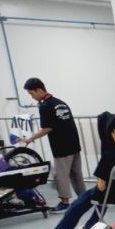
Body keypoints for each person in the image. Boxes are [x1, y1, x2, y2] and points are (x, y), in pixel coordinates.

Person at [36, 113, 115, 229]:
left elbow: (101, 186)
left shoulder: (110, 155)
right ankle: (89, 228)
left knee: (77, 205)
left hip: (110, 196)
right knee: (102, 198)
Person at [21, 78, 83, 211]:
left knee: (61, 175)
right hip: (74, 144)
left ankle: (64, 202)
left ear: (39, 90)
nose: (32, 97)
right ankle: (85, 198)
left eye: (31, 93)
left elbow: (47, 128)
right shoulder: (60, 102)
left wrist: (31, 138)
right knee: (76, 174)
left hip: (61, 146)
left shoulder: (45, 106)